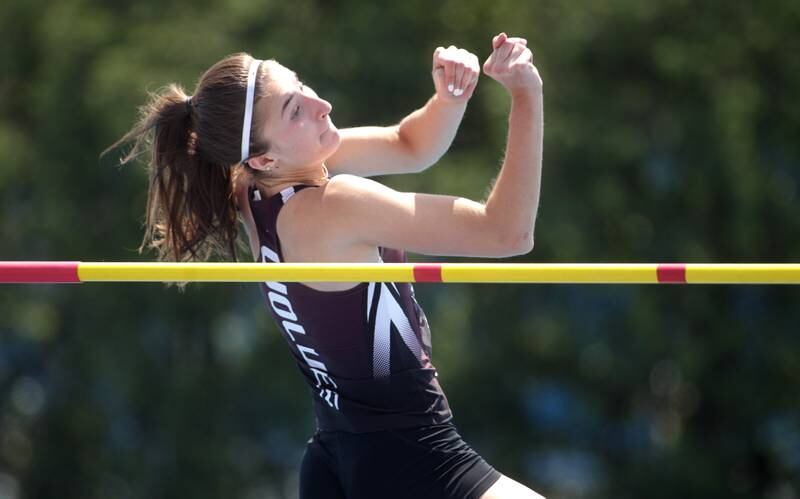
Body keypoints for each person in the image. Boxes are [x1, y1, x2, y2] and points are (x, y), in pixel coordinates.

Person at [109, 32, 544, 499]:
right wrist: (526, 93)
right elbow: (507, 233)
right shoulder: (334, 206)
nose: (322, 105)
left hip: (338, 461)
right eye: (295, 110)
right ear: (263, 155)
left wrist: (449, 98)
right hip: (412, 464)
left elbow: (410, 144)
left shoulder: (254, 185)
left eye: (301, 86)